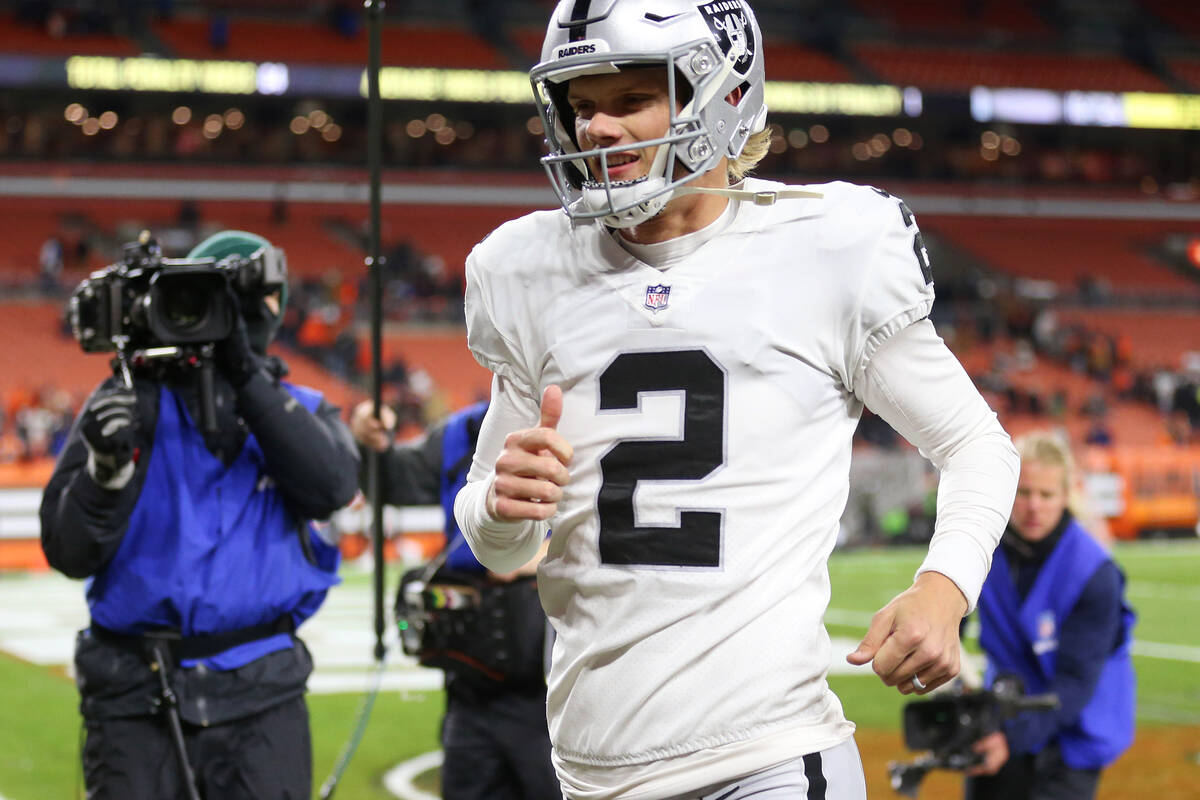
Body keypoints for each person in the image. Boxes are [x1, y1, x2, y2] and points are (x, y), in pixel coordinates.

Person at [452, 2, 1021, 798]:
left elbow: (976, 444)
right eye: (581, 107)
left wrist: (944, 586)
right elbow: (498, 544)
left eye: (628, 101)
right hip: (590, 769)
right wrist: (504, 510)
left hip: (766, 759)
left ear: (717, 94)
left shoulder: (824, 249)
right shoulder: (527, 270)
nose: (597, 131)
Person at [40, 230, 360, 799]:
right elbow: (68, 550)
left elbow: (330, 486)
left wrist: (245, 374)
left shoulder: (302, 412)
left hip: (262, 696)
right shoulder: (127, 403)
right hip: (137, 693)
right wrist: (105, 475)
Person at [350, 399, 559, 800]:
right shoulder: (459, 431)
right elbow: (391, 481)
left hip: (550, 676)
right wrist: (369, 444)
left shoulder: (586, 417)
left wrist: (541, 553)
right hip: (470, 675)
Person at [965, 432, 1136, 800]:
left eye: (1046, 495)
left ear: (1066, 496)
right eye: (1024, 493)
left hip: (1080, 721)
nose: (1033, 506)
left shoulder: (1094, 572)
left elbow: (1075, 684)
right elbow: (947, 620)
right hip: (1008, 708)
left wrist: (1008, 738)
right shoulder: (979, 552)